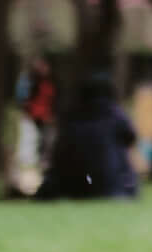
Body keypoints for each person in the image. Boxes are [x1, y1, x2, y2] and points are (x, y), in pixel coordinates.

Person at [35, 70, 141, 201]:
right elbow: (131, 138)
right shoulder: (115, 115)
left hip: (74, 187)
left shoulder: (72, 116)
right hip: (112, 187)